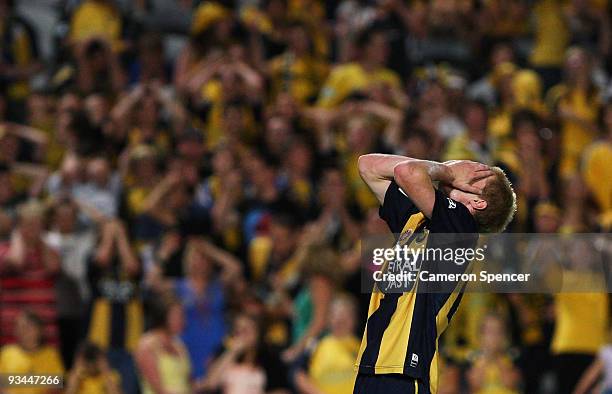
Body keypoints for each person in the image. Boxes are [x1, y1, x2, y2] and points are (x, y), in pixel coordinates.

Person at [353, 154, 516, 393]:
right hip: (372, 363)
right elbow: (367, 166)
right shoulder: (418, 220)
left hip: (406, 370)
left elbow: (408, 172)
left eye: (472, 177)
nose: (463, 171)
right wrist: (448, 170)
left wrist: (447, 171)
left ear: (478, 203)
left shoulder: (461, 230)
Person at [135, 296, 191, 394]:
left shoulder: (179, 344)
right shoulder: (147, 345)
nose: (182, 320)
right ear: (163, 315)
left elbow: (189, 383)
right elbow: (159, 389)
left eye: (182, 315)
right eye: (177, 316)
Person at [0, 310, 64, 394]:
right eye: (18, 327)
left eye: (27, 327)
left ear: (39, 330)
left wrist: (13, 380)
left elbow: (58, 384)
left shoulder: (50, 354)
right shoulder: (7, 353)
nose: (22, 331)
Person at [466, 313, 521, 394]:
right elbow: (475, 385)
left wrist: (498, 356)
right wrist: (486, 355)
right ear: (481, 335)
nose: (493, 336)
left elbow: (510, 383)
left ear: (504, 336)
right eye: (489, 331)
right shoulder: (473, 358)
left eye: (497, 331)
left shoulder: (512, 356)